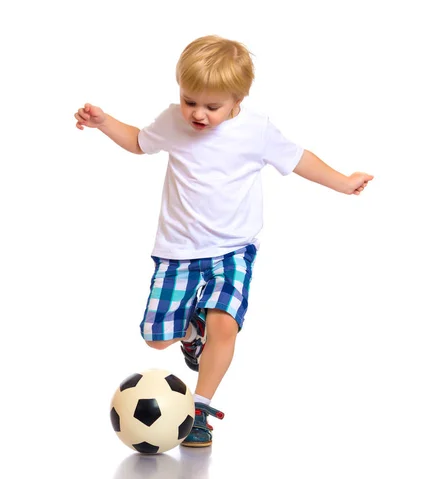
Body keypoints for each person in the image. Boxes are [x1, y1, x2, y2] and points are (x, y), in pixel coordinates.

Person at [74, 35, 373, 448]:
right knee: (156, 339)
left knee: (225, 326)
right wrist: (104, 122)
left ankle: (198, 409)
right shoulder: (172, 122)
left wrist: (342, 182)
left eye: (211, 107)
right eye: (189, 100)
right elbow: (139, 143)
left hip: (233, 249)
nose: (198, 114)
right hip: (177, 252)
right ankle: (192, 334)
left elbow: (299, 158)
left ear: (238, 99)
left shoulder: (257, 131)